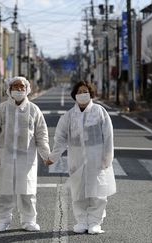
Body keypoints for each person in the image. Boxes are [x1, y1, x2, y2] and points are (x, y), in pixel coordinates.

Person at [46, 81, 116, 234]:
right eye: (79, 92)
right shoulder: (69, 116)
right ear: (75, 95)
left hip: (97, 158)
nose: (82, 94)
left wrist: (107, 157)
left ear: (90, 93)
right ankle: (82, 221)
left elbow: (108, 136)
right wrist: (53, 156)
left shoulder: (100, 112)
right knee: (78, 193)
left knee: (98, 193)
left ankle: (95, 222)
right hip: (76, 159)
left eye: (85, 91)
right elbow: (60, 138)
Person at [0, 76, 51, 232]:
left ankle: (29, 220)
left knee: (27, 191)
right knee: (4, 191)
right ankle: (2, 220)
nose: (18, 89)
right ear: (9, 90)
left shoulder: (34, 110)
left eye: (22, 87)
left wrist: (46, 155)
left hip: (27, 157)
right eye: (15, 87)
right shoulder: (1, 109)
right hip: (5, 156)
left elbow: (41, 134)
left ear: (27, 89)